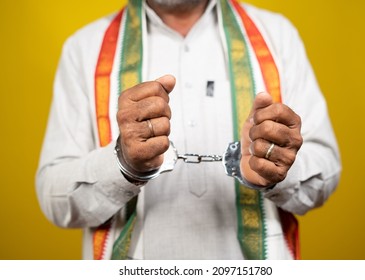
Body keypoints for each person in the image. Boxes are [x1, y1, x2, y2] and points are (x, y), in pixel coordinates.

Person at [36, 0, 341, 260]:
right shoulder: (84, 48)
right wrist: (124, 165)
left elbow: (326, 170)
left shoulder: (277, 36)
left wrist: (275, 168)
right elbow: (54, 197)